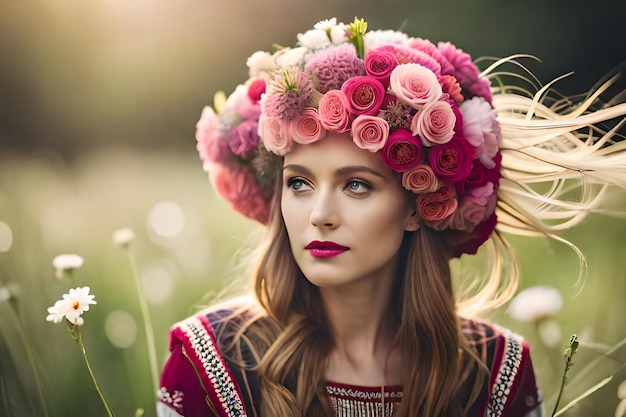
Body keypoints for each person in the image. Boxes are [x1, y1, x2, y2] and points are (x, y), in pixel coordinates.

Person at [156, 17, 626, 417]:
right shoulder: (207, 363)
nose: (320, 216)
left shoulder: (495, 374)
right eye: (298, 183)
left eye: (356, 185)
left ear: (419, 205)